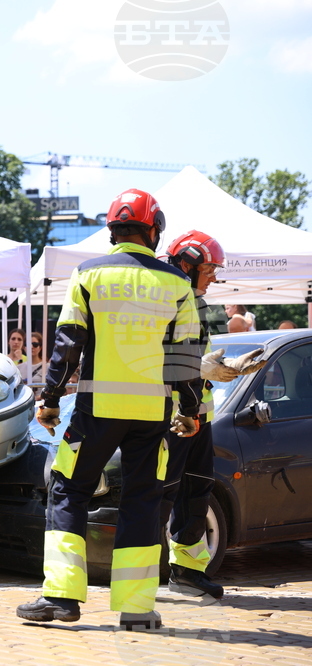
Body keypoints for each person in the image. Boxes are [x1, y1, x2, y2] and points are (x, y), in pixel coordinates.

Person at [16, 188, 205, 631]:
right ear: (153, 230)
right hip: (151, 416)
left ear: (113, 230)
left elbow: (67, 342)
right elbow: (186, 360)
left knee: (68, 491)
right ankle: (137, 608)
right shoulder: (177, 284)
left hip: (95, 411)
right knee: (142, 501)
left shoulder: (88, 274)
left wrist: (49, 399)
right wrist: (190, 410)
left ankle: (61, 597)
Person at [161, 231, 266, 600]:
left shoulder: (198, 305)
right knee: (160, 496)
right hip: (170, 417)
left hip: (198, 417)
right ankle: (138, 580)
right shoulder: (165, 301)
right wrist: (203, 368)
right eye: (209, 268)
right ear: (186, 264)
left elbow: (197, 358)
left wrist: (227, 366)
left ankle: (188, 571)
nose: (214, 276)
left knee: (196, 492)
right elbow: (156, 358)